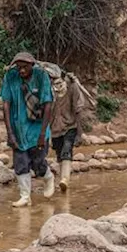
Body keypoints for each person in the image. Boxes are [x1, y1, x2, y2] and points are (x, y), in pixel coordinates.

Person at [0, 52, 55, 207]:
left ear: (32, 65)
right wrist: (10, 133)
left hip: (37, 128)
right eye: (18, 67)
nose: (21, 71)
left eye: (24, 67)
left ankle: (48, 177)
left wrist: (43, 133)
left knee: (38, 162)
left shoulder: (41, 76)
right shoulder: (10, 77)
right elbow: (6, 104)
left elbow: (48, 104)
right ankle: (25, 196)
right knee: (20, 162)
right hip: (18, 128)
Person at [45, 63, 87, 193]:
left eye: (59, 83)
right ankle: (63, 179)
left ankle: (65, 179)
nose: (57, 87)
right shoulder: (49, 91)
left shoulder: (72, 87)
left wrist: (80, 133)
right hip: (55, 128)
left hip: (70, 126)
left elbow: (78, 109)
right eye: (54, 84)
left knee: (66, 150)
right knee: (59, 155)